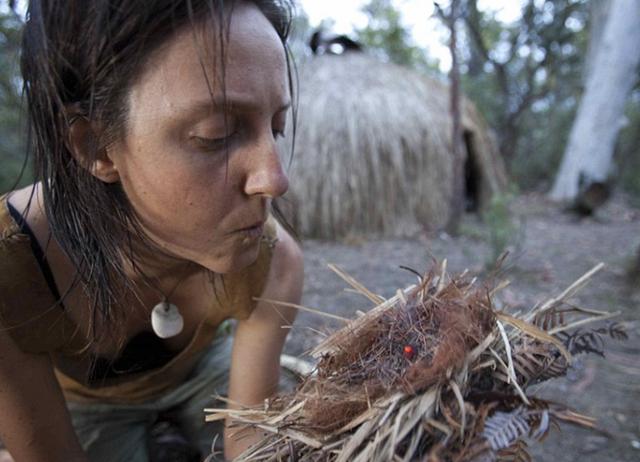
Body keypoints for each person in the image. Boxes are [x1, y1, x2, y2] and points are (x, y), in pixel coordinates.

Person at [0, 1, 303, 461]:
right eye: (216, 134)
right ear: (96, 146)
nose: (274, 180)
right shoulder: (12, 275)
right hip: (83, 403)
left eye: (276, 127)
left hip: (206, 374)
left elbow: (249, 436)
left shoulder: (270, 261)